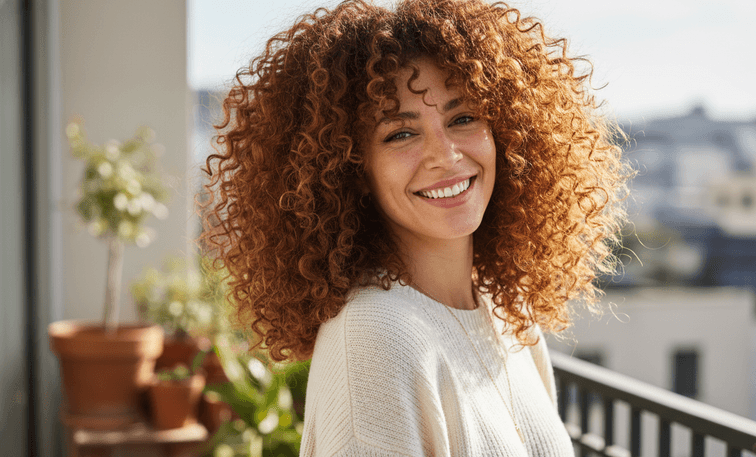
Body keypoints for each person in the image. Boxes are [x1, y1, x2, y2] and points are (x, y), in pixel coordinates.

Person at [201, 0, 629, 455]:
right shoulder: (376, 339)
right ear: (350, 168)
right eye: (400, 133)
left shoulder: (505, 315)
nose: (445, 155)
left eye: (463, 118)